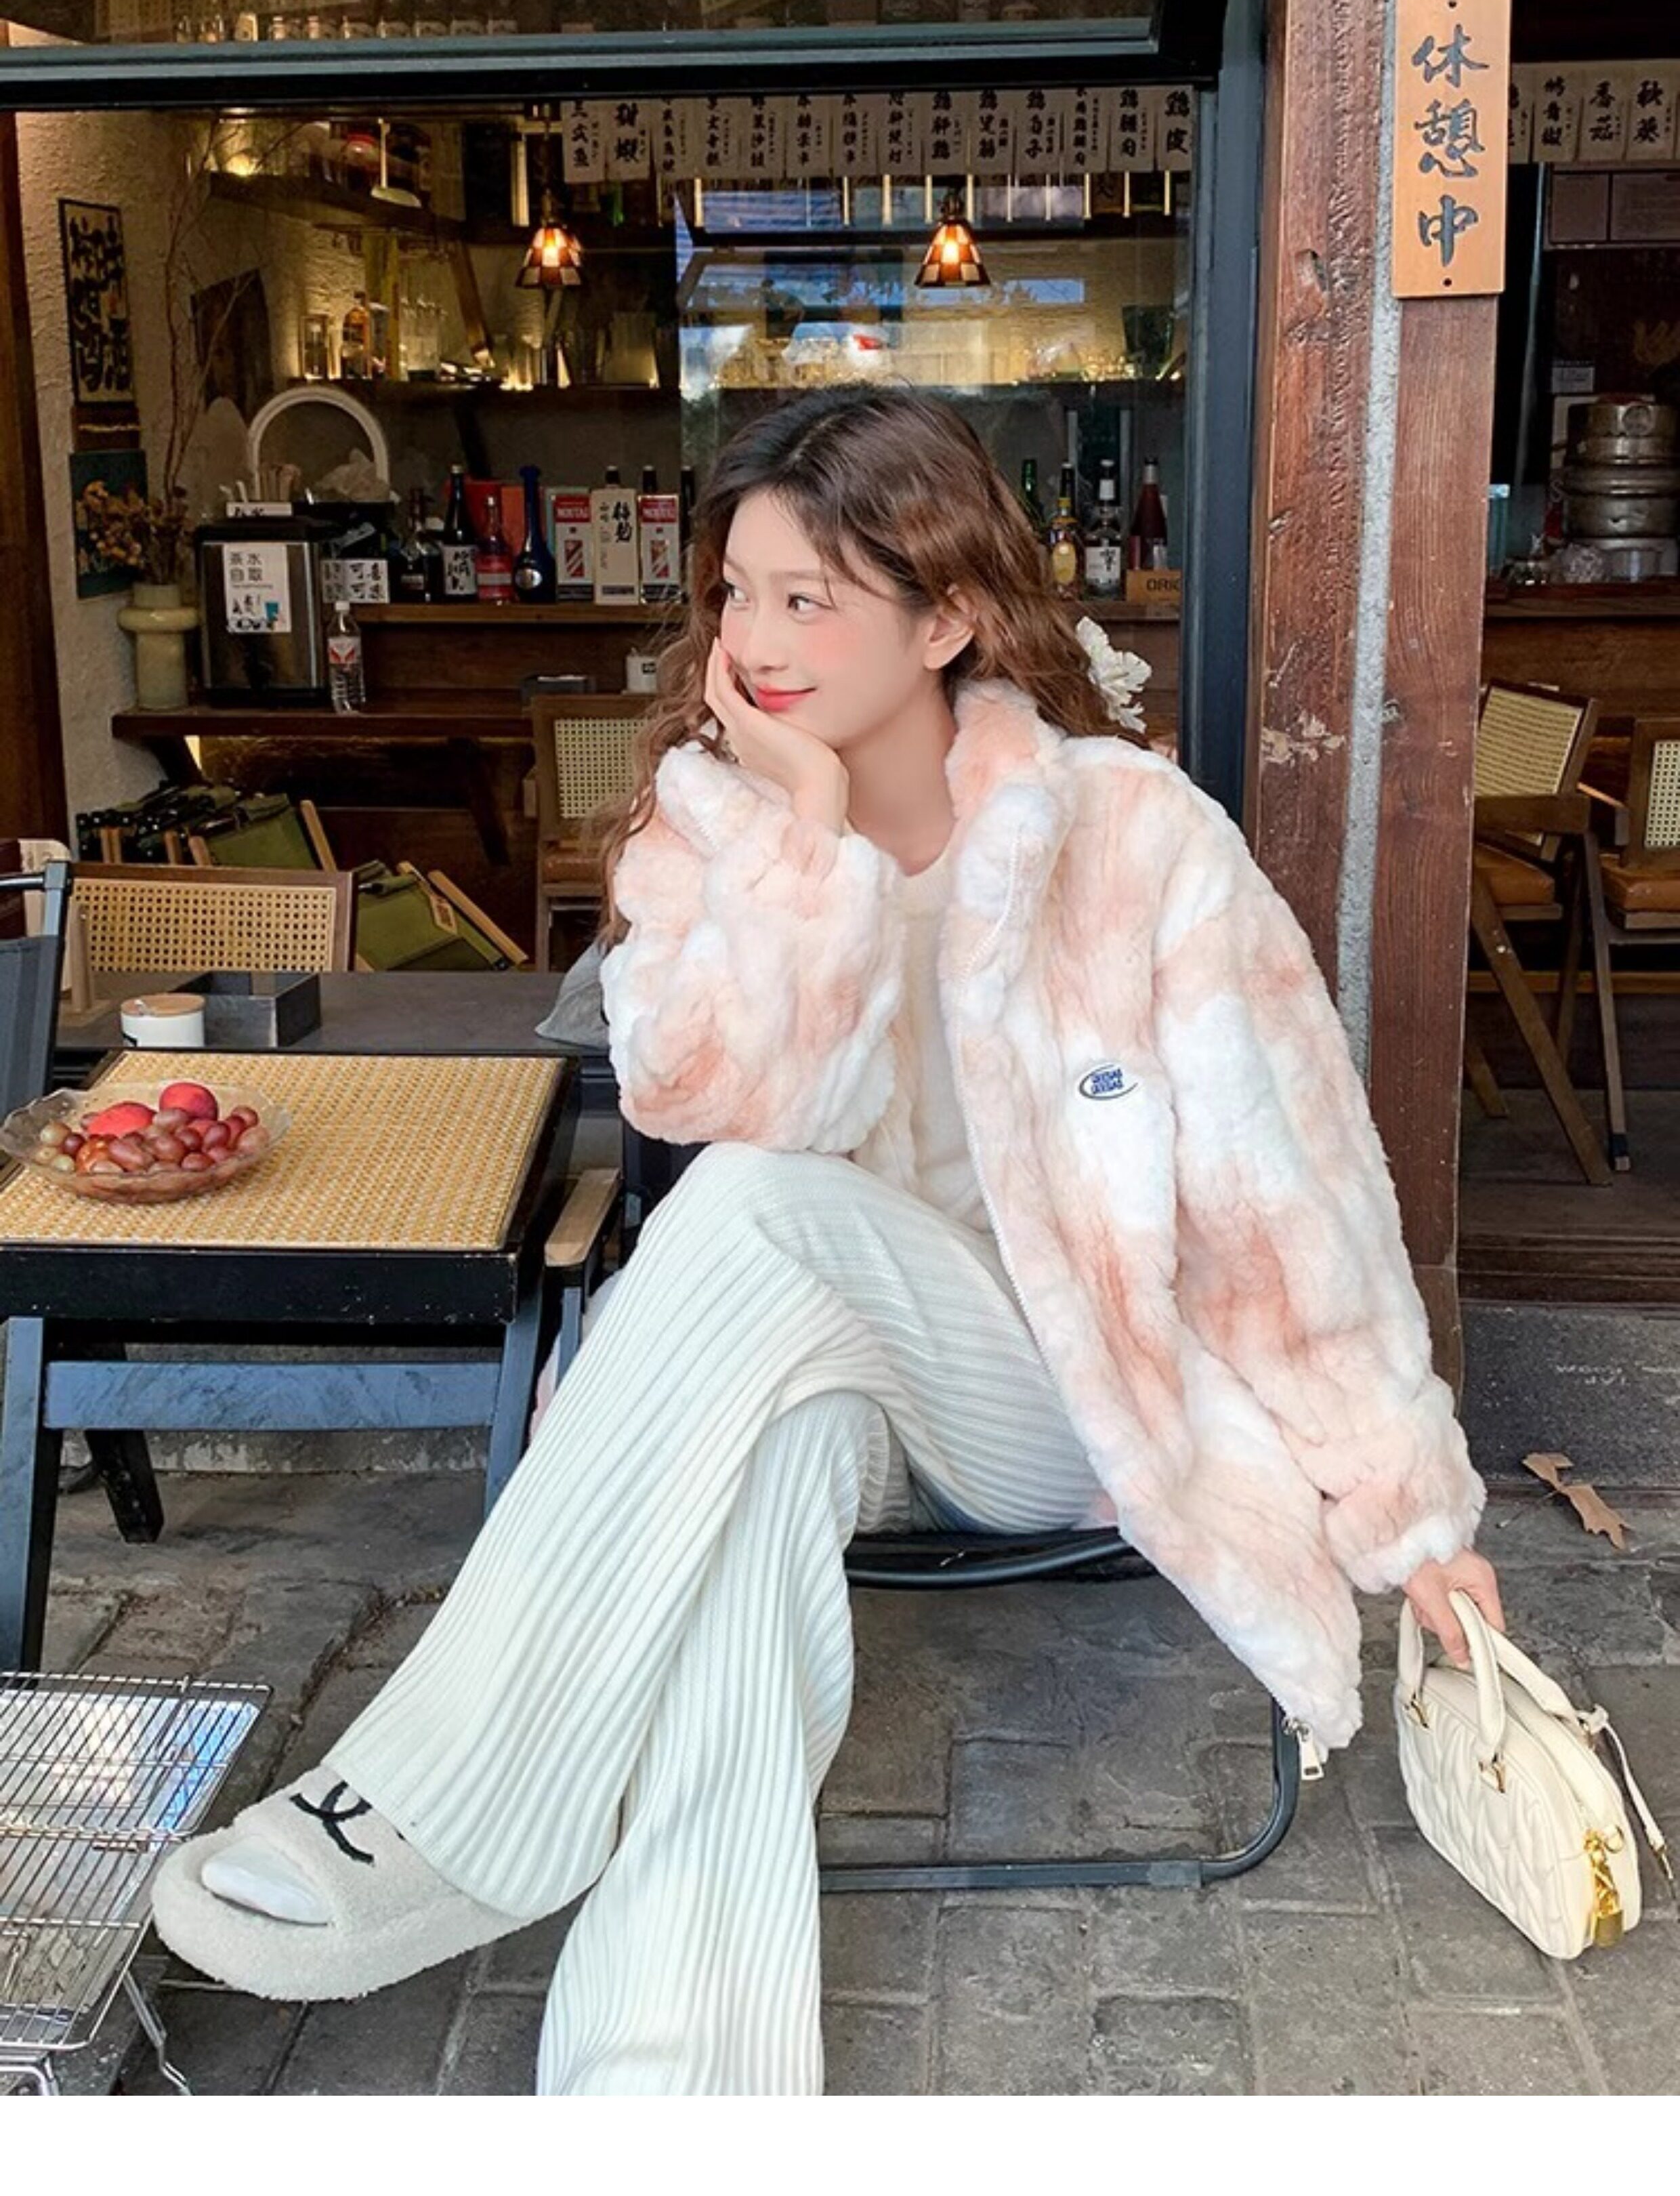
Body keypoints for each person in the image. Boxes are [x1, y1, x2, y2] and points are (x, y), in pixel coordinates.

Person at [152, 388, 1505, 2095]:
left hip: (1061, 1396)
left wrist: (1409, 1515)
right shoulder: (713, 828)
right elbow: (699, 1099)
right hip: (826, 1383)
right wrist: (799, 841)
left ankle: (443, 1802)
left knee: (750, 1210)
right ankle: (667, 2085)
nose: (758, 639)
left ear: (946, 619)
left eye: (810, 598)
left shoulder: (1133, 837)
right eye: (737, 593)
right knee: (763, 1437)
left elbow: (1281, 1198)